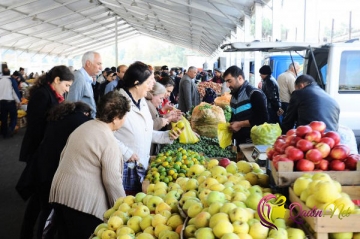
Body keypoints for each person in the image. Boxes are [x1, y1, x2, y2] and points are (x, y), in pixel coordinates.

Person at [49, 92, 129, 239]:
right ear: (116, 117)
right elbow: (112, 181)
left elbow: (64, 155)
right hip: (82, 203)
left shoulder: (84, 126)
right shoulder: (108, 140)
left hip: (60, 194)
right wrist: (124, 209)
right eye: (124, 116)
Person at [17, 65, 74, 239]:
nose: (67, 90)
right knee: (42, 197)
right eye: (66, 85)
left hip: (44, 151)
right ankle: (33, 232)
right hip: (39, 151)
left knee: (38, 197)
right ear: (57, 80)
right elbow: (36, 127)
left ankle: (27, 232)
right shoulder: (42, 95)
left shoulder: (51, 94)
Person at [114, 61, 181, 195]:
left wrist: (167, 135)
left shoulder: (142, 102)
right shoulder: (117, 103)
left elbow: (146, 133)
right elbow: (104, 135)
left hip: (140, 166)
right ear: (136, 83)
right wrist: (126, 152)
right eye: (150, 81)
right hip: (124, 167)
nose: (152, 86)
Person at [35, 101, 92, 238]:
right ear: (86, 113)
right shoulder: (81, 121)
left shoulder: (59, 118)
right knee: (54, 211)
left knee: (45, 209)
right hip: (56, 170)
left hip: (43, 167)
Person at [224, 65, 268, 144]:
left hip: (252, 141)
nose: (227, 85)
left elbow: (262, 118)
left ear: (240, 78)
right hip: (239, 140)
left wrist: (240, 124)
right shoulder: (234, 96)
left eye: (229, 81)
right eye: (226, 82)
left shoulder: (254, 93)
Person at [66, 51, 102, 118]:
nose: (101, 68)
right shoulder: (79, 78)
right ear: (88, 64)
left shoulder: (86, 78)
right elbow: (71, 105)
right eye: (98, 64)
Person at [0, 71, 21, 138]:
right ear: (9, 73)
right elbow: (14, 92)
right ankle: (10, 130)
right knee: (13, 116)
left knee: (3, 118)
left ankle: (4, 132)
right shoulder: (11, 80)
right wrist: (18, 101)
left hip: (1, 102)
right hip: (10, 102)